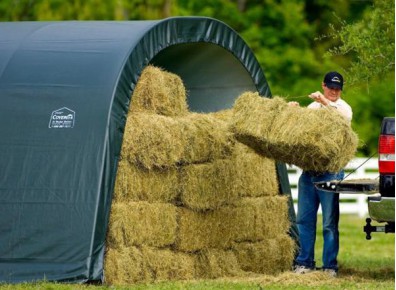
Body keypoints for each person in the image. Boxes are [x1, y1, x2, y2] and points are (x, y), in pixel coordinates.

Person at [290, 71, 352, 277]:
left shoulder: (343, 108)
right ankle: (304, 262)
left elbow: (341, 123)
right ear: (323, 85)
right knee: (304, 220)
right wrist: (293, 113)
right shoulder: (312, 107)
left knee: (329, 223)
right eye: (331, 87)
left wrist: (324, 101)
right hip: (309, 173)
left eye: (337, 88)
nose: (334, 91)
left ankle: (329, 267)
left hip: (331, 173)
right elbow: (301, 132)